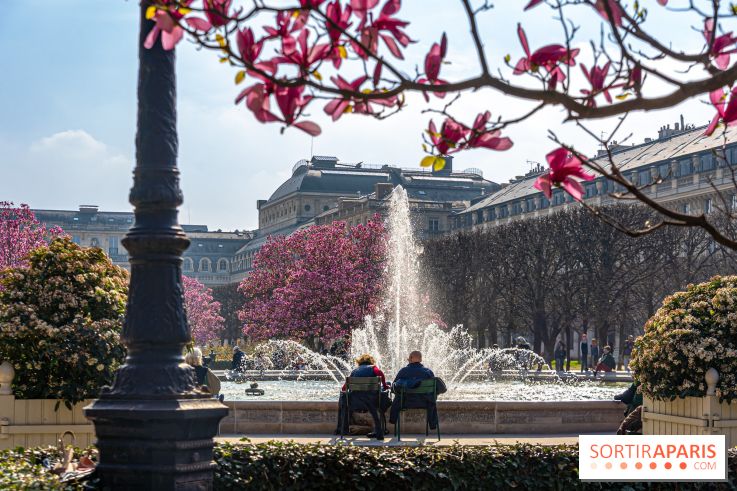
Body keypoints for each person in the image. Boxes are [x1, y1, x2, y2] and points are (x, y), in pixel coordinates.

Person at [335, 354, 391, 440]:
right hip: (372, 403)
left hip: (355, 403)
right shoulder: (374, 368)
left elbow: (344, 388)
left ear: (359, 362)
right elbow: (381, 376)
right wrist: (385, 386)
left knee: (343, 396)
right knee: (384, 392)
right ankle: (380, 429)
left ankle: (343, 428)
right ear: (371, 361)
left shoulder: (354, 371)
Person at [389, 351, 447, 431]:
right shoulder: (428, 372)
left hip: (405, 403)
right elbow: (434, 391)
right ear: (421, 359)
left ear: (411, 359)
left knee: (398, 395)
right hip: (426, 403)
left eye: (409, 359)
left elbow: (394, 388)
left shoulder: (403, 371)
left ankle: (393, 422)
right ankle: (432, 425)